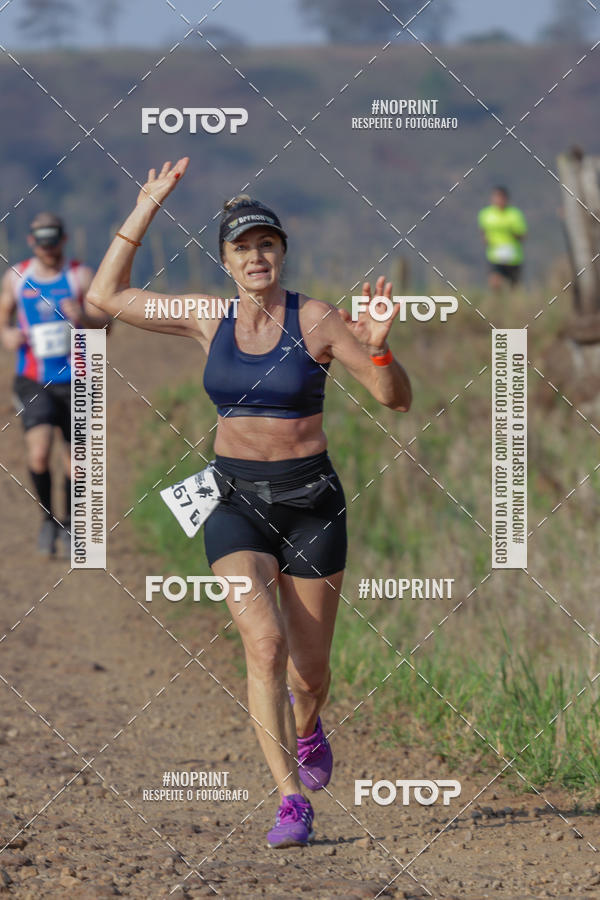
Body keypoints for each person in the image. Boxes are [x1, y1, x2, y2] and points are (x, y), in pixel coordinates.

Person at [87, 158, 412, 848]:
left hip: (312, 504)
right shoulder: (207, 317)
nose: (256, 256)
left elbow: (395, 400)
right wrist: (145, 205)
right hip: (232, 498)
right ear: (226, 261)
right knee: (263, 645)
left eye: (267, 244)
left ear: (282, 253)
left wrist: (379, 352)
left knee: (309, 670)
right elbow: (108, 294)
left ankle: (309, 724)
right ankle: (289, 799)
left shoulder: (319, 320)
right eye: (242, 247)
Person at [0, 213, 110, 557]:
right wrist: (9, 336)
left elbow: (106, 328)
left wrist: (83, 316)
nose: (48, 250)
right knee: (39, 451)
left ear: (63, 241)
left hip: (77, 379)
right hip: (33, 379)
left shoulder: (80, 276)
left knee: (76, 461)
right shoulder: (17, 277)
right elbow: (3, 322)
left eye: (53, 243)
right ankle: (48, 519)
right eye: (41, 244)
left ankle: (68, 522)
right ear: (33, 242)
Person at [478, 186, 527, 289]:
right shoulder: (486, 214)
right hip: (495, 255)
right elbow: (483, 231)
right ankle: (497, 303)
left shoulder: (515, 214)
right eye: (496, 197)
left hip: (513, 256)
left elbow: (522, 236)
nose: (499, 200)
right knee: (495, 282)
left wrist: (511, 232)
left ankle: (515, 304)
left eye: (501, 198)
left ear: (506, 199)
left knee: (514, 288)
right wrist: (486, 239)